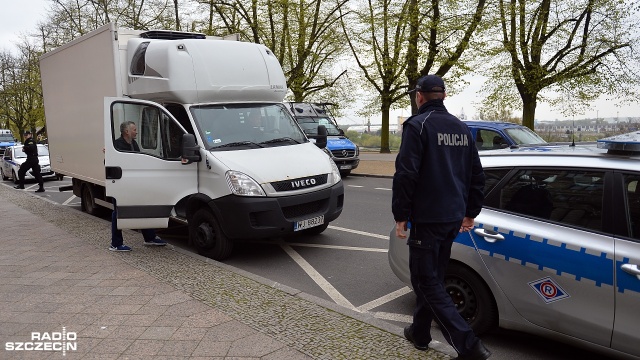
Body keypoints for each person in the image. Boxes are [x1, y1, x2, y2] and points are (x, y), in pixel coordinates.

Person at [392, 75, 489, 360]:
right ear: (443, 96)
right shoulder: (461, 127)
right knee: (432, 277)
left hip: (428, 219)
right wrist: (470, 212)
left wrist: (401, 216)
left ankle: (469, 345)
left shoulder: (417, 125)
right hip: (453, 217)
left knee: (425, 280)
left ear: (420, 96)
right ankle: (419, 333)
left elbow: (406, 175)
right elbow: (476, 174)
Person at [110, 121, 167, 251]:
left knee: (141, 208)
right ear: (127, 132)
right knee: (117, 213)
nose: (136, 131)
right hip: (121, 184)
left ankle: (149, 237)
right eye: (134, 129)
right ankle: (115, 243)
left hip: (133, 183)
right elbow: (109, 163)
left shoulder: (133, 144)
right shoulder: (117, 145)